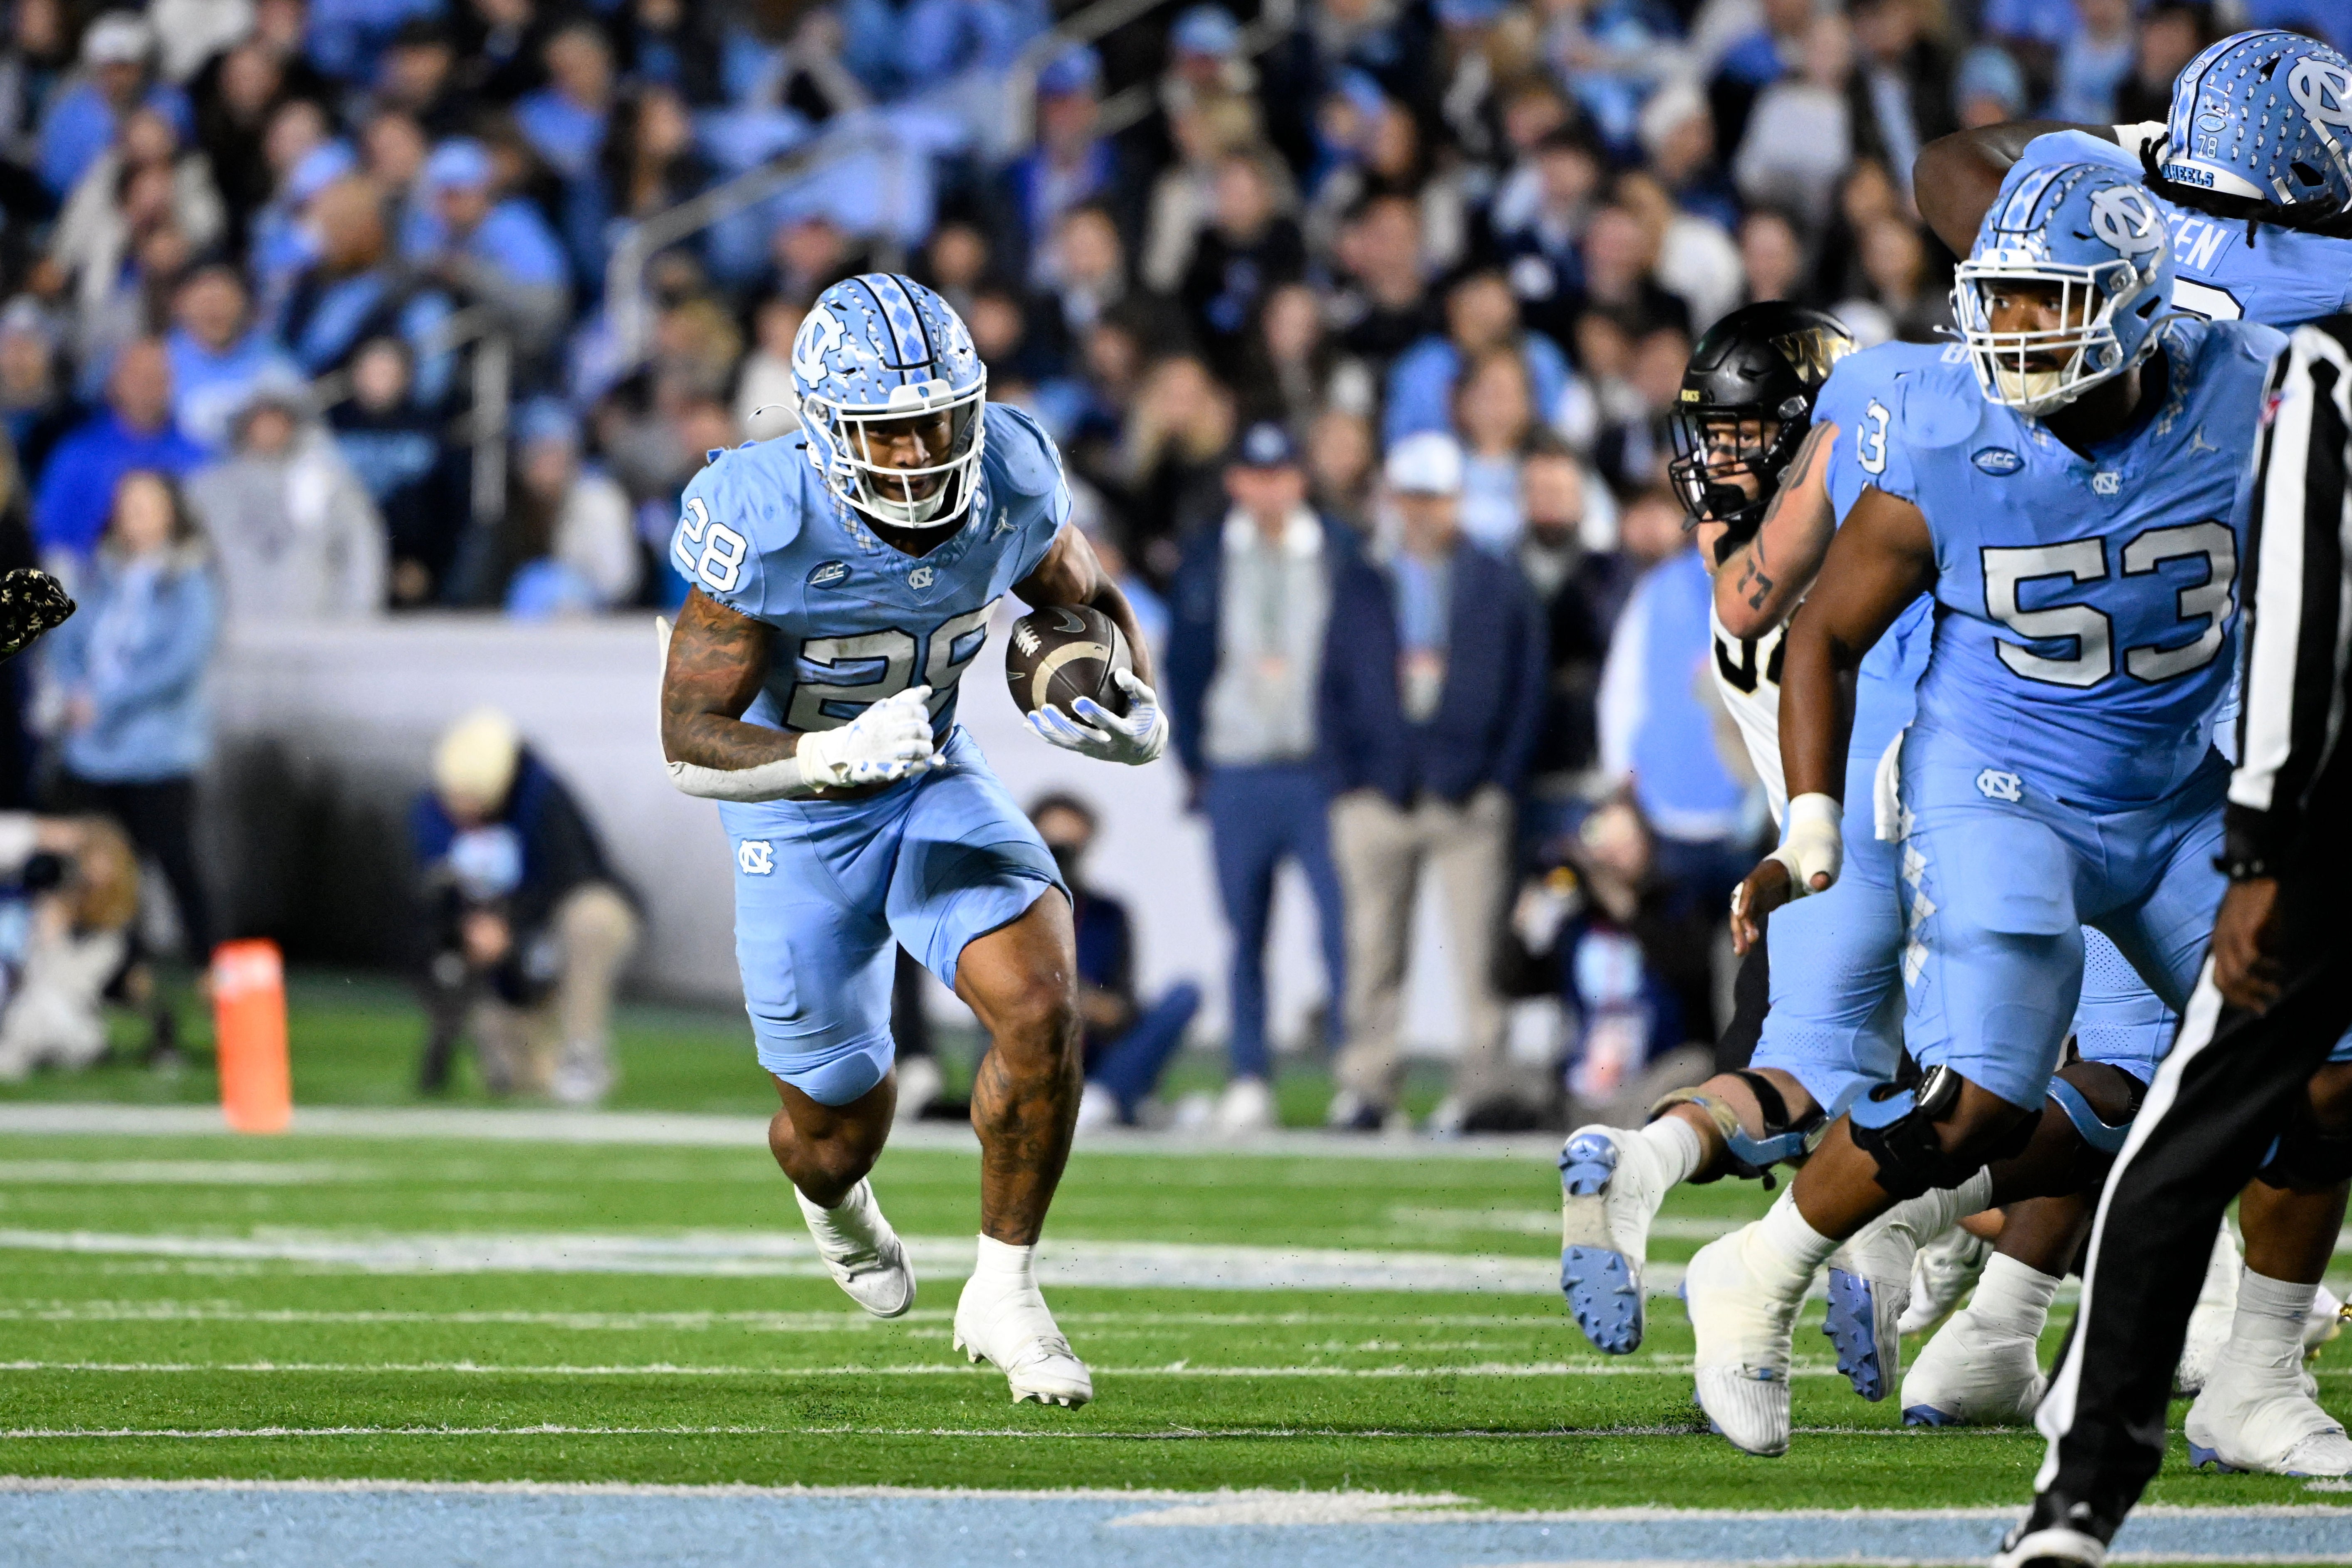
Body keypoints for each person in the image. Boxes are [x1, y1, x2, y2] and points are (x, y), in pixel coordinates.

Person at [1682, 161, 2281, 1459]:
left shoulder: (2252, 389)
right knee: (1985, 1098)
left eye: (2041, 302)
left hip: (2179, 784)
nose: (2009, 333)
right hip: (2003, 779)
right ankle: (1759, 1271)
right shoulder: (1951, 424)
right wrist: (1813, 825)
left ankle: (2256, 1376)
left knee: (2319, 1071)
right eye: (1997, 301)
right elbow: (1821, 636)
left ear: (2130, 304)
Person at [1904, 27, 2352, 1459]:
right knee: (2257, 1066)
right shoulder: (2308, 282)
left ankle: (1979, 1293)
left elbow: (1945, 170)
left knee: (2144, 1070)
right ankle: (2202, 1346)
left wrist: (2107, 167)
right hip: (2225, 721)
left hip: (2079, 704)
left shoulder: (2108, 208)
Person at [655, 273, 1166, 1407]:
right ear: (831, 430)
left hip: (930, 779)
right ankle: (835, 1202)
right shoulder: (764, 511)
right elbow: (684, 739)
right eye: (891, 429)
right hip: (794, 815)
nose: (924, 449)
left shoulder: (1011, 475)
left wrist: (1131, 703)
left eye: (941, 416)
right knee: (836, 1130)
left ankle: (1004, 1285)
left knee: (1039, 1005)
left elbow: (1080, 602)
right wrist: (819, 758)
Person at [2003, 314, 2352, 1568]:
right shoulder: (2318, 363)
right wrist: (2257, 841)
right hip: (2294, 812)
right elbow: (2297, 618)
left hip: (2294, 814)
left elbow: (2299, 622)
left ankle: (2080, 1495)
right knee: (2184, 1126)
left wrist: (2259, 835)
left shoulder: (2318, 362)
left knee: (2191, 1136)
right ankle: (2077, 1484)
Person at [1318, 430, 1546, 1133]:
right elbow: (1332, 683)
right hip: (1379, 794)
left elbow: (1527, 686)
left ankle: (1481, 1088)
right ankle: (1369, 1085)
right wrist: (1348, 780)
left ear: (1459, 500)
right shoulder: (1364, 573)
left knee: (1480, 955)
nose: (1423, 511)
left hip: (1467, 794)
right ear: (1394, 498)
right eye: (1412, 495)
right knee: (1372, 951)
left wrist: (1500, 780)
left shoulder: (1498, 577)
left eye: (1437, 496)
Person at [1165, 421, 1350, 1133]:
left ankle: (1353, 1076)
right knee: (1244, 932)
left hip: (1317, 767)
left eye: (1281, 475)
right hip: (1237, 767)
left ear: (1298, 480)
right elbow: (1183, 663)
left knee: (1340, 934)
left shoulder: (1336, 548)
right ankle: (1249, 1073)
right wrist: (1196, 763)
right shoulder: (1210, 553)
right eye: (1255, 475)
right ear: (1237, 481)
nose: (1269, 490)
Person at [411, 707, 642, 1105]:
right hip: (506, 967)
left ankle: (582, 1053)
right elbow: (432, 904)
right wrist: (469, 932)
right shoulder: (431, 815)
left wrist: (512, 928)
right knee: (509, 1075)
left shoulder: (542, 799)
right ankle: (539, 1057)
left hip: (548, 933)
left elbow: (576, 877)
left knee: (595, 915)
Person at [39, 469, 217, 962]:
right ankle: (110, 973)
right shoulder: (98, 573)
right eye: (127, 505)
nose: (133, 517)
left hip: (157, 753)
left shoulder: (189, 582)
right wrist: (74, 692)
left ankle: (213, 975)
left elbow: (178, 664)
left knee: (176, 866)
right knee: (89, 864)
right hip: (92, 751)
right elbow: (67, 639)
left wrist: (107, 701)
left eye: (146, 506)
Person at [1032, 793, 1204, 1131]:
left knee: (1185, 993)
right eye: (1053, 849)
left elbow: (1121, 1008)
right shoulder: (1008, 910)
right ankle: (1123, 1105)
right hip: (1034, 1056)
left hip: (1098, 1053)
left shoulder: (1108, 914)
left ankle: (1106, 1099)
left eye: (1072, 849)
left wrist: (1081, 1001)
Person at [188, 383, 387, 624]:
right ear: (244, 425)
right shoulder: (208, 490)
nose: (269, 428)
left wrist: (356, 619)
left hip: (318, 632)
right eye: (260, 419)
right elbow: (189, 559)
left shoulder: (329, 483)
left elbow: (362, 550)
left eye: (278, 419)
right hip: (232, 633)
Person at [32, 339, 204, 568]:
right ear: (115, 383)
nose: (147, 385)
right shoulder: (77, 456)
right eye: (137, 376)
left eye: (157, 376)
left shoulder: (200, 460)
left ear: (172, 383)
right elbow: (49, 542)